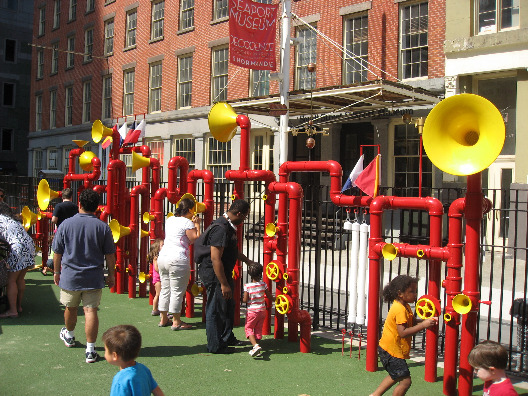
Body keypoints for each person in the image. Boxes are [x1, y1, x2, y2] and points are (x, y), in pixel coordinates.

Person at [52, 189, 116, 363]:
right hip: (93, 275)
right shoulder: (103, 227)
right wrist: (112, 274)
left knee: (70, 308)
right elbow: (110, 254)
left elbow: (57, 252)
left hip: (70, 275)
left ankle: (70, 335)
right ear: (97, 207)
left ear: (79, 204)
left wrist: (56, 272)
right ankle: (90, 350)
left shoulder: (65, 225)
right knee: (90, 311)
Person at [195, 199, 258, 354]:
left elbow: (231, 251)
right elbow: (215, 258)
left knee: (228, 306)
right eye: (244, 217)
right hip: (214, 274)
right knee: (215, 308)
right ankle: (215, 345)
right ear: (238, 213)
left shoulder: (229, 226)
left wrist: (248, 261)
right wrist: (223, 284)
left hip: (223, 273)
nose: (244, 220)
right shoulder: (221, 229)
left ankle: (227, 336)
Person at [370, 275, 437, 396]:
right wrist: (424, 325)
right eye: (412, 291)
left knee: (395, 375)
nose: (415, 294)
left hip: (388, 349)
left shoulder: (404, 306)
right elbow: (403, 332)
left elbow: (410, 321)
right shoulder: (400, 309)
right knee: (406, 381)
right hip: (391, 351)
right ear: (400, 293)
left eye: (416, 291)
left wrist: (424, 321)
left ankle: (375, 395)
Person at [157, 197, 201, 330]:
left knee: (165, 288)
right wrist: (197, 224)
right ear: (189, 210)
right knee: (177, 291)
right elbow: (194, 238)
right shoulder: (187, 222)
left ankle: (163, 318)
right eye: (193, 210)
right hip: (177, 258)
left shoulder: (170, 219)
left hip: (163, 257)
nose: (194, 213)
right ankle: (176, 321)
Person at [102, 325, 164, 396]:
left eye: (105, 350)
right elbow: (157, 391)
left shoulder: (120, 380)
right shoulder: (143, 369)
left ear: (115, 356)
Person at [0, 202, 35, 318]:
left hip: (18, 247)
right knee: (20, 279)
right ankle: (18, 306)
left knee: (11, 281)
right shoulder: (13, 221)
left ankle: (13, 311)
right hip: (29, 245)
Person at [243, 262, 272, 357]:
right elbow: (269, 296)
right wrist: (276, 299)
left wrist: (241, 298)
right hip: (262, 310)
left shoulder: (247, 286)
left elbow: (245, 300)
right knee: (258, 328)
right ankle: (257, 346)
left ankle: (255, 346)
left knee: (249, 328)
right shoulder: (263, 284)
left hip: (252, 311)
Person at [147, 239, 163, 316]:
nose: (164, 246)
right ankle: (156, 309)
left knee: (158, 294)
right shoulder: (156, 257)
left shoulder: (160, 256)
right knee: (159, 294)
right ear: (157, 248)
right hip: (158, 279)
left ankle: (156, 309)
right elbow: (156, 268)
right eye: (162, 245)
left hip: (158, 278)